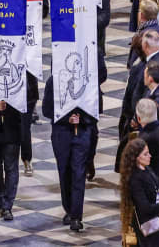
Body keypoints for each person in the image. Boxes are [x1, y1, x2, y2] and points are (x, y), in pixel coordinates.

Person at [43, 74, 96, 232]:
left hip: (82, 133)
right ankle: (69, 209)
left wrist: (82, 119)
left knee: (79, 173)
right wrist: (67, 119)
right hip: (62, 134)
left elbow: (95, 109)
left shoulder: (88, 79)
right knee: (64, 172)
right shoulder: (53, 81)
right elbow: (47, 109)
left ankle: (76, 217)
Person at [120, 137, 159, 246]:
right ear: (136, 157)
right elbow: (144, 208)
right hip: (148, 225)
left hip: (158, 221)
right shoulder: (135, 179)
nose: (150, 156)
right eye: (145, 154)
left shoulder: (147, 169)